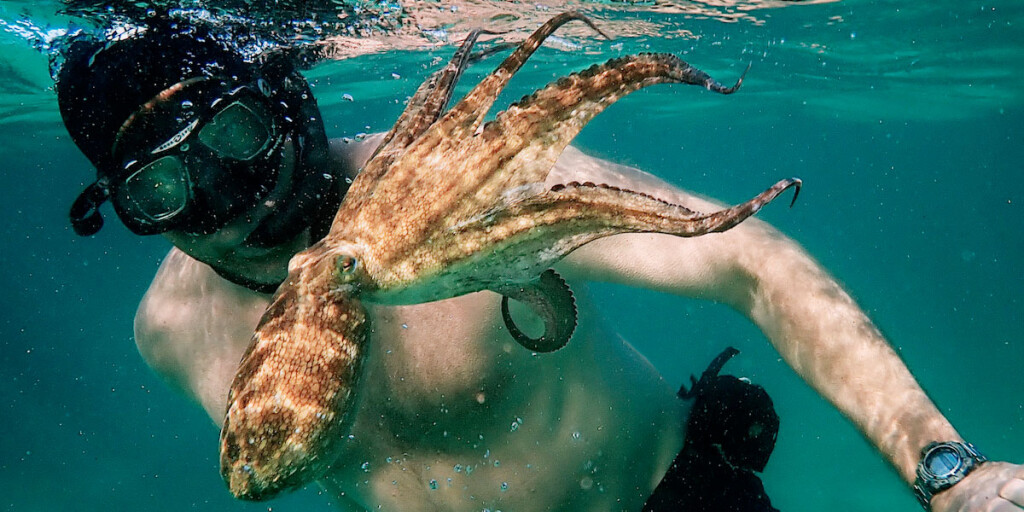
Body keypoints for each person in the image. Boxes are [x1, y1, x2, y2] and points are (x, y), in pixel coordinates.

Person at [56, 19, 1024, 512]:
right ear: (128, 210)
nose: (230, 201)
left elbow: (751, 261)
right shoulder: (169, 333)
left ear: (289, 102)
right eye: (162, 188)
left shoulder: (473, 181)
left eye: (236, 133)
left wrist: (945, 469)